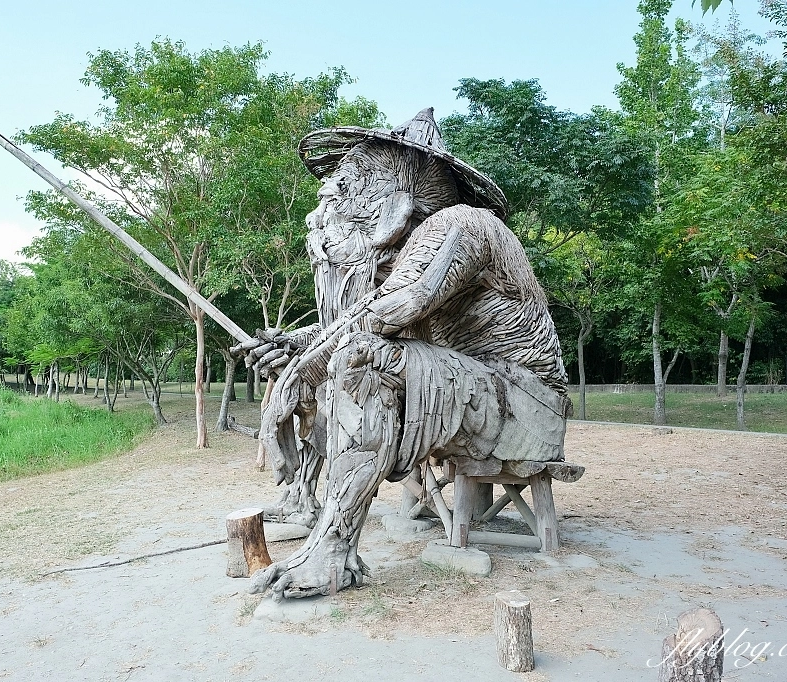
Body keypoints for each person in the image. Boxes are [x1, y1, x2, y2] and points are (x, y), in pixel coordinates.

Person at [235, 109, 571, 599]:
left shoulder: (461, 226)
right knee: (325, 361)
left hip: (526, 406)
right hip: (481, 396)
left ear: (393, 202)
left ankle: (333, 553)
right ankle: (305, 499)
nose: (323, 210)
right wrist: (295, 346)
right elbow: (359, 318)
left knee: (362, 363)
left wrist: (309, 361)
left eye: (347, 187)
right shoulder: (408, 254)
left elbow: (392, 311)